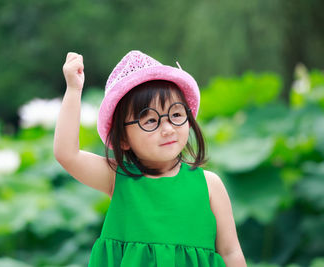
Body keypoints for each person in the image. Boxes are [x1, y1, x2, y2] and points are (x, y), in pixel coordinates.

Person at [54, 50, 247, 267]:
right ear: (124, 139)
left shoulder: (210, 185)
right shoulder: (119, 178)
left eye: (175, 114)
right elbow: (67, 154)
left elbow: (230, 252)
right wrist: (73, 89)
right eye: (150, 121)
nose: (167, 129)